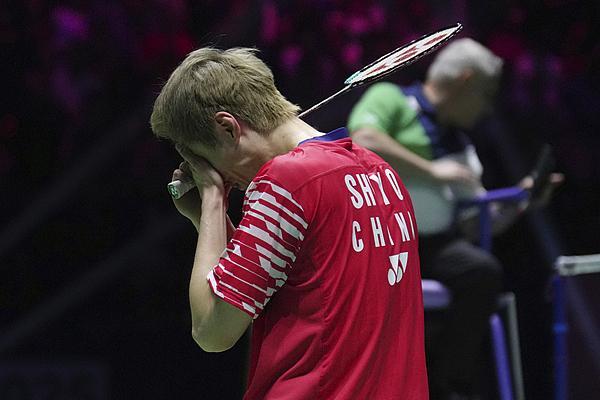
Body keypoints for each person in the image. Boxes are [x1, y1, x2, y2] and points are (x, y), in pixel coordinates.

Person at [150, 47, 429, 399]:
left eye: (206, 162)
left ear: (227, 127)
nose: (221, 177)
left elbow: (212, 331)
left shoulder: (286, 180)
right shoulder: (381, 172)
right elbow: (263, 290)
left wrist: (212, 200)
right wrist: (205, 217)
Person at [347, 38, 553, 400]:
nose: (486, 108)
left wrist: (521, 204)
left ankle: (446, 387)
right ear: (465, 80)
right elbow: (362, 139)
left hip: (434, 246)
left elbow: (476, 224)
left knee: (482, 272)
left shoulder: (462, 145)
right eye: (485, 94)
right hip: (379, 241)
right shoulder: (392, 99)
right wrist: (432, 171)